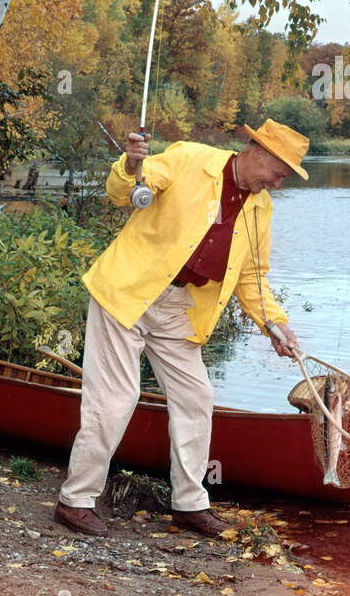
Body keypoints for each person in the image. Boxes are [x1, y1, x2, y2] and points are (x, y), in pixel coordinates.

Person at [54, 118, 309, 538]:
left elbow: (252, 278)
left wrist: (275, 323)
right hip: (127, 293)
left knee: (197, 397)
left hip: (181, 310)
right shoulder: (191, 158)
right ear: (259, 152)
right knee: (117, 397)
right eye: (278, 174)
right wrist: (130, 165)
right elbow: (125, 190)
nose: (278, 185)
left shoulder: (260, 207)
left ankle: (189, 504)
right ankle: (75, 500)